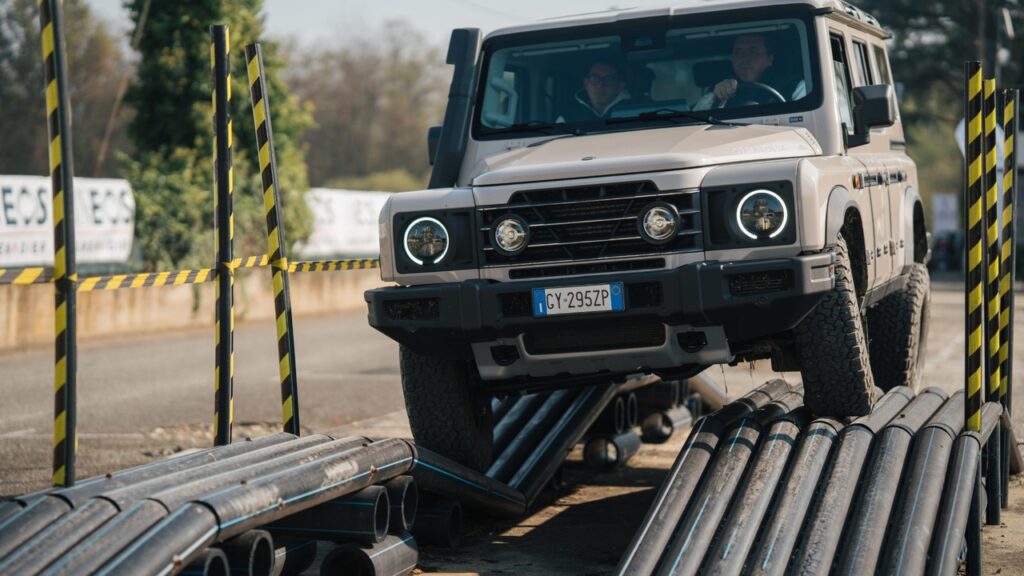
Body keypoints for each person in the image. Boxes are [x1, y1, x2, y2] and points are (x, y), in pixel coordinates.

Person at [693, 34, 806, 110]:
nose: (744, 58)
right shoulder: (719, 89)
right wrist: (718, 98)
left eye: (752, 51)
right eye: (738, 52)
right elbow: (698, 119)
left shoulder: (794, 86)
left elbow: (805, 117)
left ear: (769, 59)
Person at [560, 61, 632, 122]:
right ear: (586, 84)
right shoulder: (566, 118)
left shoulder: (635, 112)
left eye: (608, 79)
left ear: (620, 86)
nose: (600, 85)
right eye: (594, 78)